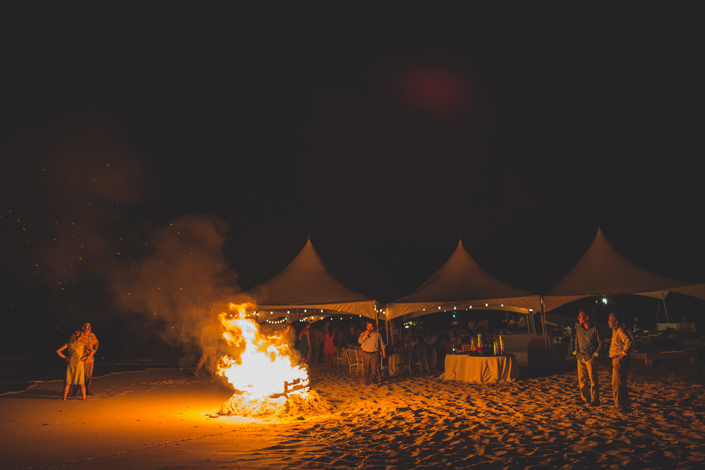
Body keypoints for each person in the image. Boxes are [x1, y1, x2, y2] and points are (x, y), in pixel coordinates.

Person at [573, 310, 602, 406]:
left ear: (587, 317)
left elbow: (601, 343)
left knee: (593, 379)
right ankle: (585, 398)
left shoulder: (595, 329)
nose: (579, 318)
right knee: (582, 379)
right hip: (581, 357)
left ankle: (595, 399)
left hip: (590, 357)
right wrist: (577, 353)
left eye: (580, 316)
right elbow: (576, 341)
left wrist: (596, 355)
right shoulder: (578, 328)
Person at [608, 312, 635, 413]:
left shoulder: (619, 330)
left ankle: (620, 405)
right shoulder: (615, 331)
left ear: (616, 322)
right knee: (621, 383)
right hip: (616, 358)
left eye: (610, 320)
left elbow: (628, 341)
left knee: (617, 384)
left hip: (618, 360)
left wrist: (623, 353)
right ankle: (625, 403)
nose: (608, 322)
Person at [70, 323, 99, 396]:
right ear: (83, 328)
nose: (89, 327)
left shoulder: (92, 335)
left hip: (90, 358)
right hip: (82, 358)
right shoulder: (80, 335)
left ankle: (87, 391)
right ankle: (75, 392)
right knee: (79, 375)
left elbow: (96, 342)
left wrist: (95, 349)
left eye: (89, 326)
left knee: (88, 375)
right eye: (87, 326)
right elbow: (74, 343)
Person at [56, 334, 87, 400]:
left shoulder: (69, 344)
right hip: (80, 363)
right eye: (81, 336)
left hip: (71, 363)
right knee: (81, 382)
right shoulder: (82, 343)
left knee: (68, 382)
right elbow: (92, 350)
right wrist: (85, 357)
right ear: (79, 337)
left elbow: (58, 351)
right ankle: (84, 398)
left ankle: (64, 398)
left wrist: (65, 357)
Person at [358, 320, 386, 385]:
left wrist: (383, 352)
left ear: (374, 327)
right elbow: (360, 341)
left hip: (375, 353)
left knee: (374, 368)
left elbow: (382, 344)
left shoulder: (378, 334)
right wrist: (365, 335)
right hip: (366, 353)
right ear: (366, 327)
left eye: (371, 326)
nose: (370, 328)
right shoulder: (363, 333)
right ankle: (367, 381)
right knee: (367, 368)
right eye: (368, 327)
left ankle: (373, 381)